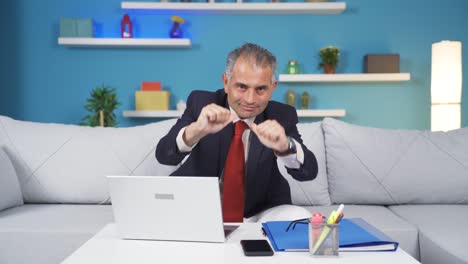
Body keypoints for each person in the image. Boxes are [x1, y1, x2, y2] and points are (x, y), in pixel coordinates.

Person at [156, 43, 318, 222]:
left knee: (300, 217)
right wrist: (196, 130)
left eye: (260, 89)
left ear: (273, 87)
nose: (250, 99)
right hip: (196, 206)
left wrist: (285, 147)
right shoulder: (201, 102)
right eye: (241, 87)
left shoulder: (281, 115)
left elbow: (309, 173)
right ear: (226, 82)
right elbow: (164, 156)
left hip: (259, 211)